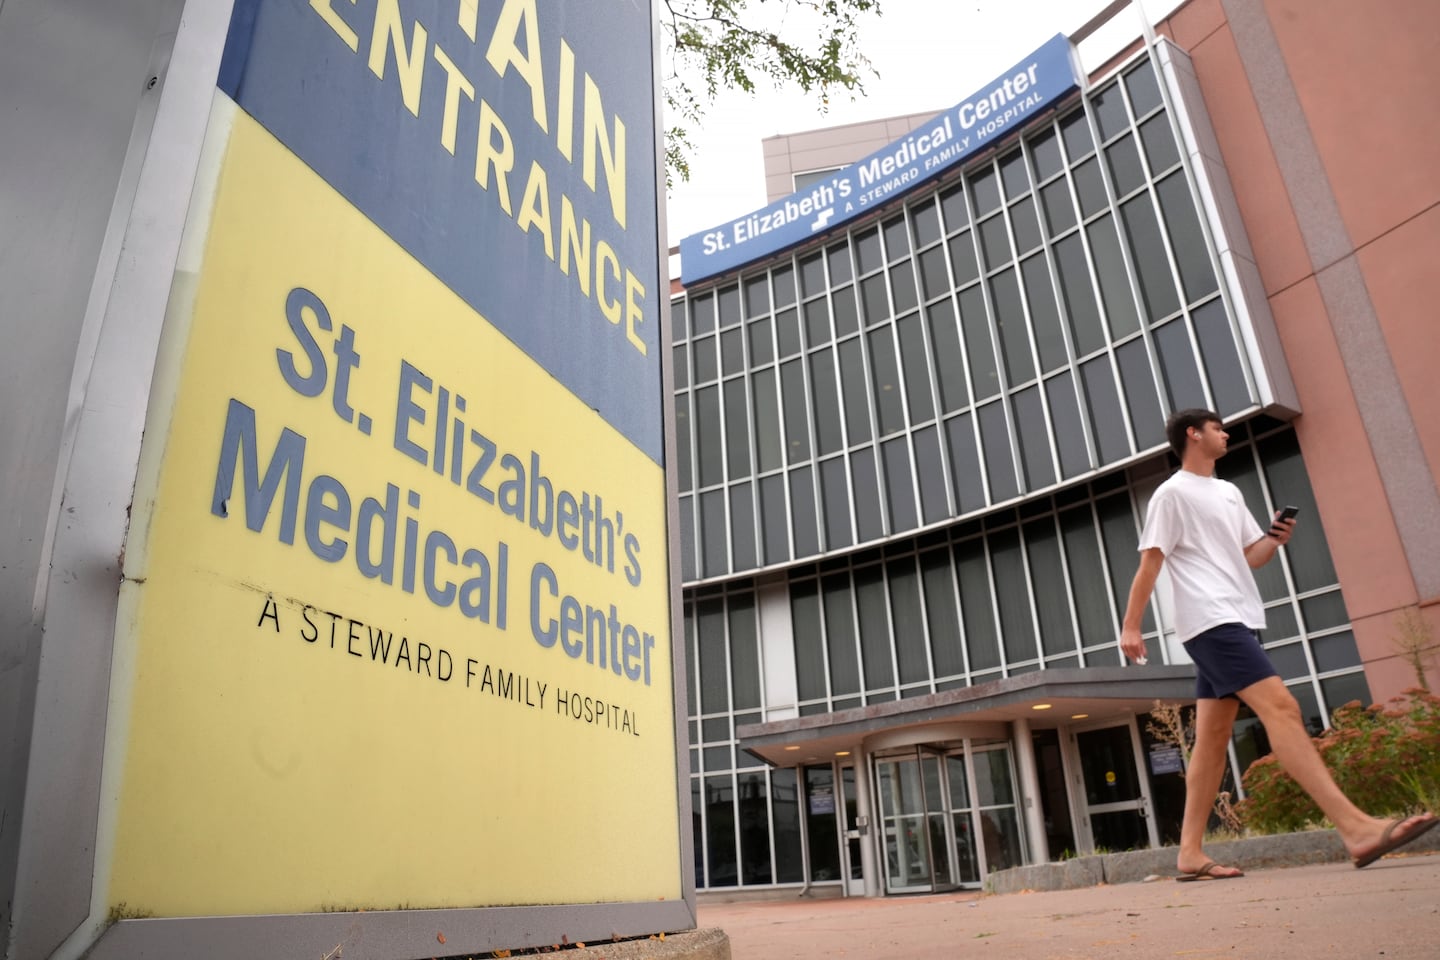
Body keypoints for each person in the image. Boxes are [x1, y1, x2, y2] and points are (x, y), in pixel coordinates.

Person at [1120, 409, 1437, 880]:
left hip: (1239, 615)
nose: (1225, 433)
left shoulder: (1227, 491)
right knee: (1283, 708)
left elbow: (1250, 557)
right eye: (1217, 427)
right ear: (1193, 434)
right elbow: (1151, 563)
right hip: (1210, 620)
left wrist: (1274, 538)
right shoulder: (1171, 494)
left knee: (1210, 741)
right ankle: (1356, 828)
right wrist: (1131, 626)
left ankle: (1188, 852)